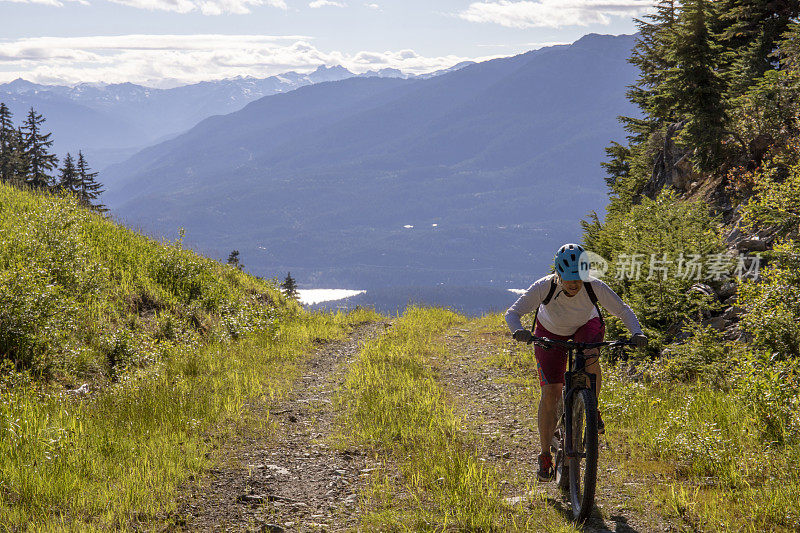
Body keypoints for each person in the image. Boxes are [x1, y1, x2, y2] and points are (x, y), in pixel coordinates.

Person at [505, 243, 647, 481]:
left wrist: (637, 332)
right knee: (551, 392)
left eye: (578, 279)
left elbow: (622, 310)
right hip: (550, 332)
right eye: (569, 279)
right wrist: (518, 330)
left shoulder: (595, 287)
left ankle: (592, 408)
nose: (574, 284)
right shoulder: (543, 286)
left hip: (585, 326)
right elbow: (513, 313)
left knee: (591, 360)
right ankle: (544, 455)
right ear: (558, 274)